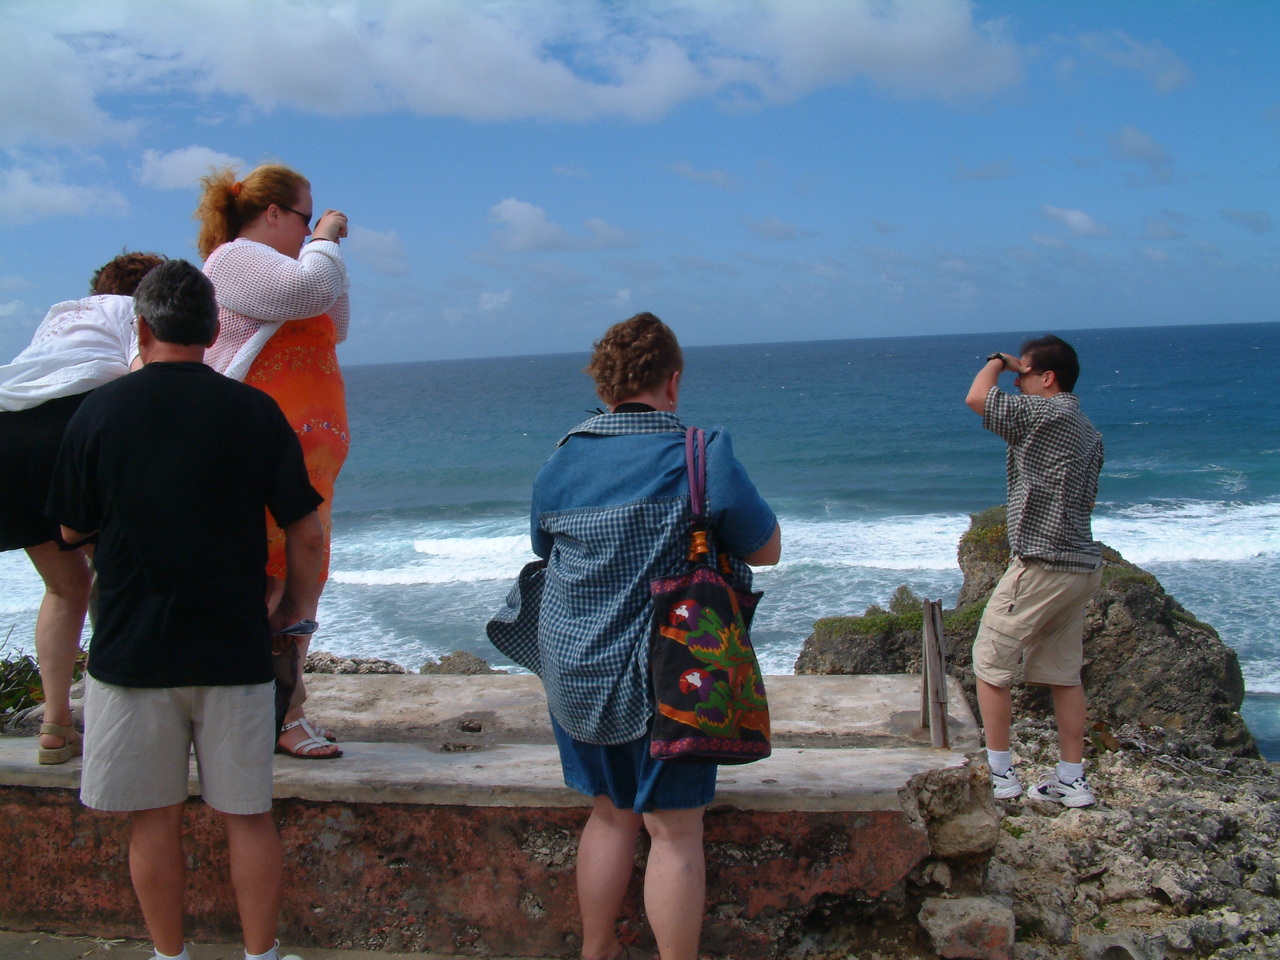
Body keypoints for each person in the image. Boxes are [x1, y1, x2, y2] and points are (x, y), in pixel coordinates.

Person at [47, 260, 324, 960]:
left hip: (132, 653)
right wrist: (293, 608)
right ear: (211, 329)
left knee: (151, 821)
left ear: (141, 326)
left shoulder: (99, 412)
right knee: (249, 818)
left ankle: (170, 956)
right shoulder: (253, 410)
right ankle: (259, 956)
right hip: (233, 648)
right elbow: (306, 528)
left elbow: (71, 532)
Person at [530, 313, 781, 960]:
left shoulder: (561, 461)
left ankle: (596, 951)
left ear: (605, 383)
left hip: (577, 675)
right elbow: (767, 547)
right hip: (668, 679)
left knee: (610, 813)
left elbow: (544, 547)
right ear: (672, 382)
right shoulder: (700, 452)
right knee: (673, 834)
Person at [195, 163, 349, 759]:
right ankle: (272, 715)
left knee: (301, 579)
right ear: (275, 214)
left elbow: (336, 321)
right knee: (266, 578)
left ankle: (282, 710)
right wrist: (325, 243)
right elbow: (309, 293)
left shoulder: (289, 268)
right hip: (260, 450)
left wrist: (318, 253)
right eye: (305, 217)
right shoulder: (234, 259)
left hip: (306, 457)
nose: (313, 227)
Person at [0, 251, 165, 764]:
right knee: (120, 574)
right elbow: (145, 375)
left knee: (65, 586)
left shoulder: (60, 314)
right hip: (67, 431)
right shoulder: (130, 314)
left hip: (7, 433)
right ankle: (126, 718)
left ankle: (55, 724)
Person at [964, 335, 1105, 808]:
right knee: (1064, 674)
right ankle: (1071, 779)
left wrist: (995, 363)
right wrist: (1013, 367)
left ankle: (1000, 773)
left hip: (1042, 564)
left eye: (1024, 374)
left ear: (1047, 378)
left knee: (989, 663)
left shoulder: (1046, 413)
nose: (1017, 382)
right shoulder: (1087, 428)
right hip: (1081, 566)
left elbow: (977, 398)